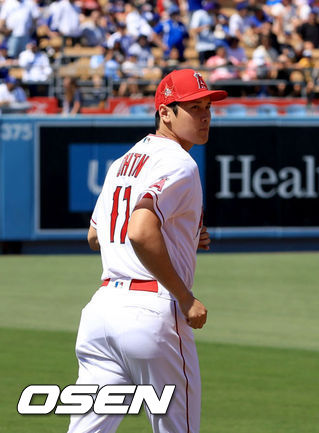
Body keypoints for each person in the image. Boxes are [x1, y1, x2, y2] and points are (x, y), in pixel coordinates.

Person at [67, 69, 226, 433]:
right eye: (192, 108)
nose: (204, 116)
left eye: (207, 107)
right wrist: (185, 298)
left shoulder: (122, 162)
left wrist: (178, 236)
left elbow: (96, 236)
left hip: (101, 313)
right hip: (151, 311)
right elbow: (140, 232)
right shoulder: (180, 162)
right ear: (165, 112)